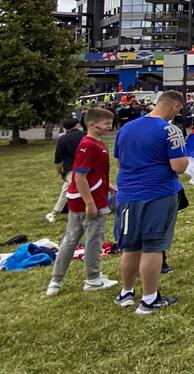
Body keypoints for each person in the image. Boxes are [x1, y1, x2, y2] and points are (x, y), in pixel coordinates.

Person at [112, 90, 188, 315]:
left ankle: (126, 292)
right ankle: (149, 299)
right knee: (153, 246)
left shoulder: (127, 128)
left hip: (127, 194)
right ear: (174, 107)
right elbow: (180, 166)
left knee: (130, 246)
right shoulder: (170, 130)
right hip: (158, 193)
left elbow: (119, 159)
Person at [46, 108, 118, 297]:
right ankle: (93, 279)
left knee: (70, 240)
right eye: (106, 124)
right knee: (93, 241)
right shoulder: (89, 145)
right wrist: (90, 203)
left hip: (82, 198)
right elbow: (80, 176)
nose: (109, 128)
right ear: (92, 125)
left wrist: (108, 185)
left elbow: (93, 172)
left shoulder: (93, 143)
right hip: (90, 200)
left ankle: (56, 280)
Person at [46, 117, 86, 223]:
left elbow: (58, 159)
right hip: (88, 166)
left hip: (72, 168)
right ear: (77, 125)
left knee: (67, 190)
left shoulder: (63, 139)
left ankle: (55, 212)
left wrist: (60, 173)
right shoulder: (86, 136)